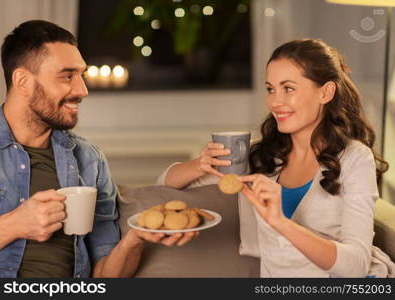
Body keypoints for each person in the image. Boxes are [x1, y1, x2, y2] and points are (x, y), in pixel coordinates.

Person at [158, 38, 394, 277]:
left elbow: (355, 267)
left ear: (326, 92)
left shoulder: (354, 158)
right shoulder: (261, 157)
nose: (275, 101)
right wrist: (201, 165)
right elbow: (166, 183)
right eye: (271, 89)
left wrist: (280, 222)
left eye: (288, 88)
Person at [0, 20, 197, 278]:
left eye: (81, 75)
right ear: (23, 81)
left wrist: (134, 240)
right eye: (67, 76)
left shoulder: (88, 159)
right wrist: (14, 225)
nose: (82, 90)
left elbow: (105, 275)